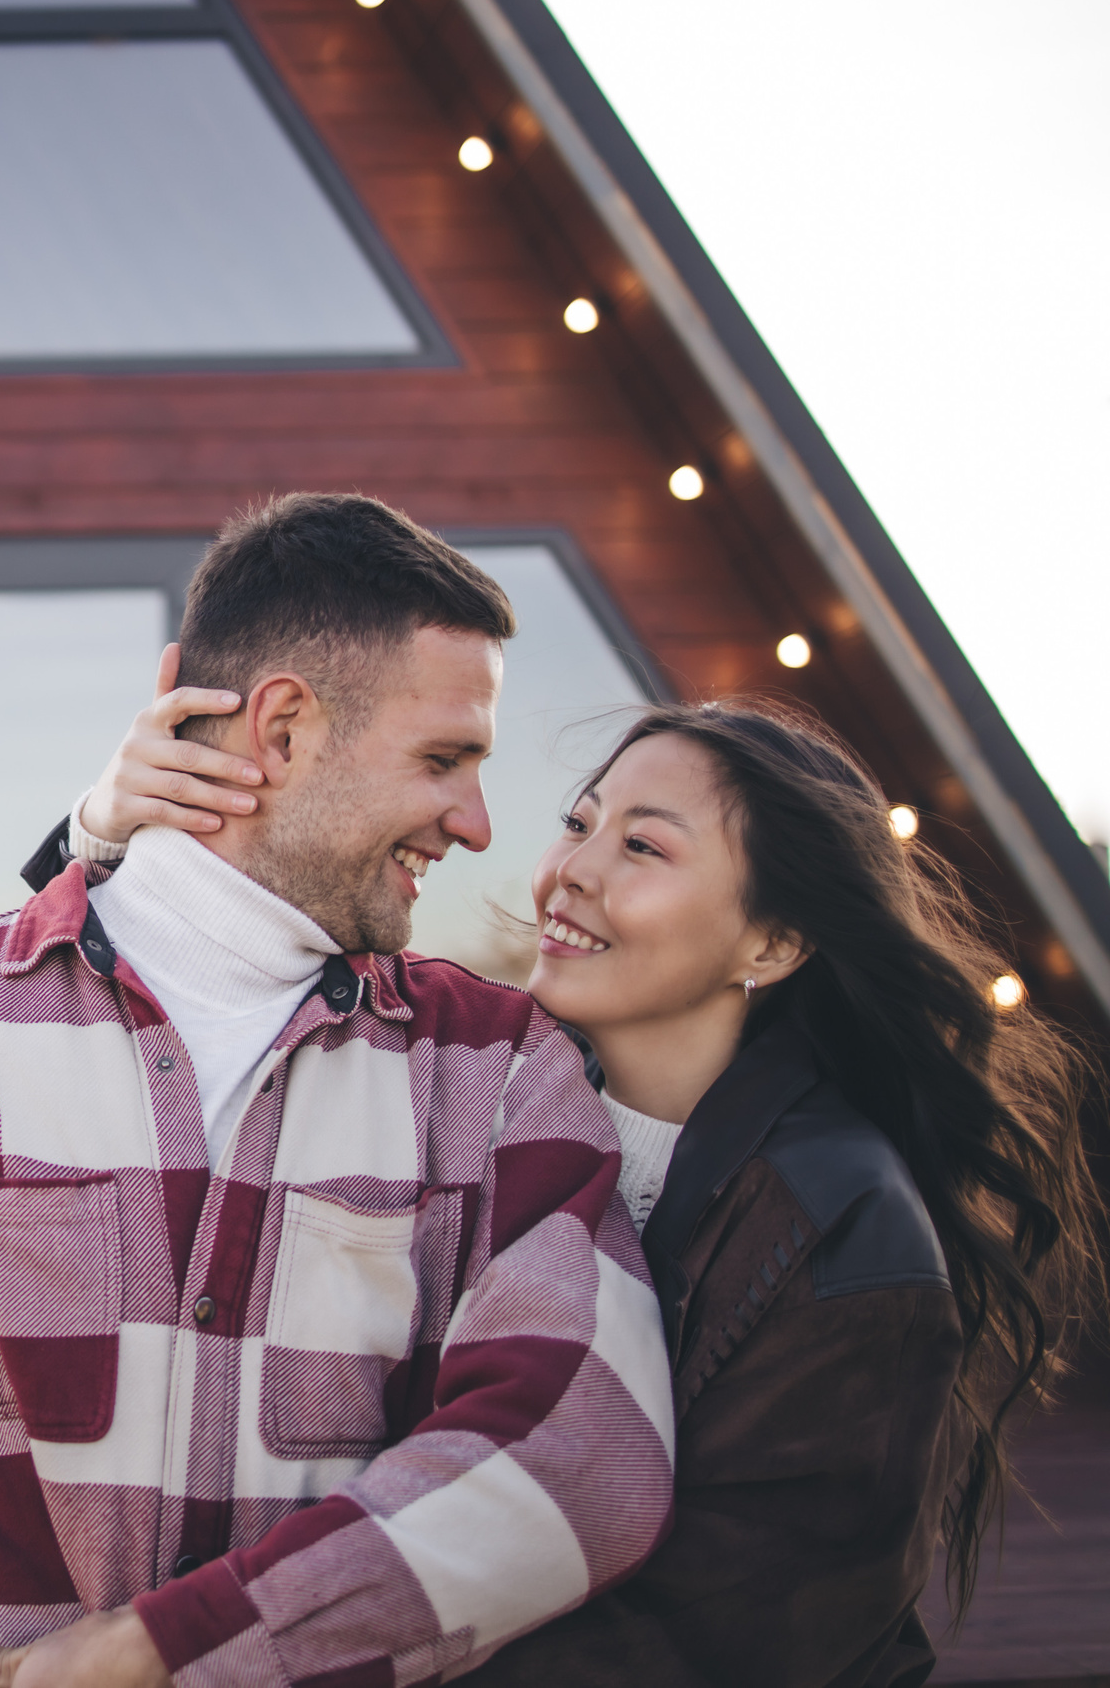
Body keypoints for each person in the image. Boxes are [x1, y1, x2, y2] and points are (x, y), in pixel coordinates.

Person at [0, 494, 675, 1688]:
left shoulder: (496, 1071)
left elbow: (586, 1454)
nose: (478, 824)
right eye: (443, 760)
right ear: (281, 731)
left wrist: (164, 1656)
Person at [74, 680, 1106, 1685]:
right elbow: (190, 1031)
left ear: (774, 940)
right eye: (579, 823)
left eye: (642, 847)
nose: (569, 870)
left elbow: (717, 1641)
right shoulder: (477, 1098)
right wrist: (105, 843)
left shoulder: (845, 1233)